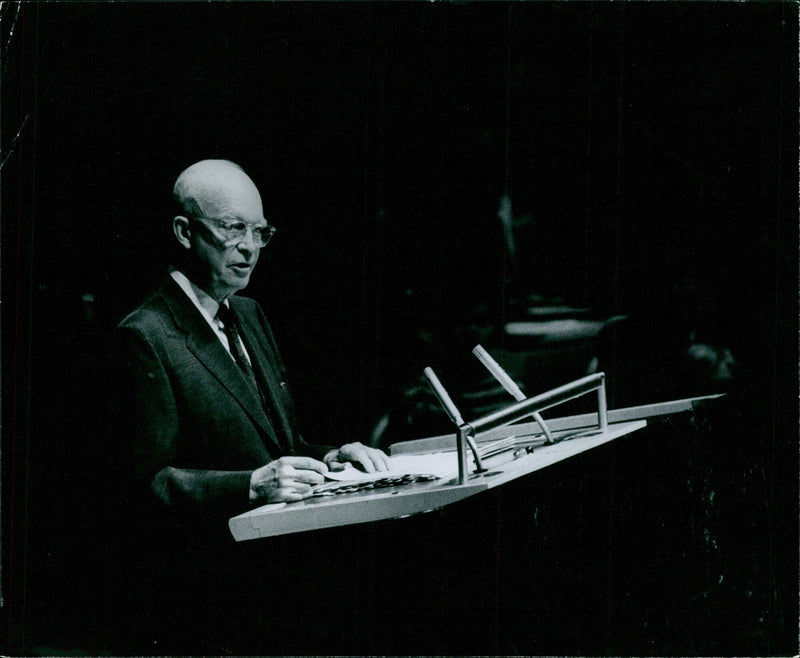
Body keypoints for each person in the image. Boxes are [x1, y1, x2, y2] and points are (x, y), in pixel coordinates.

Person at [108, 159, 390, 651]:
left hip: (281, 585)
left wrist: (330, 457)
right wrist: (251, 486)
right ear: (184, 231)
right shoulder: (144, 334)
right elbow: (146, 484)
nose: (251, 247)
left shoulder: (248, 313)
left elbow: (277, 445)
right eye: (233, 227)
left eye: (260, 231)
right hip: (208, 603)